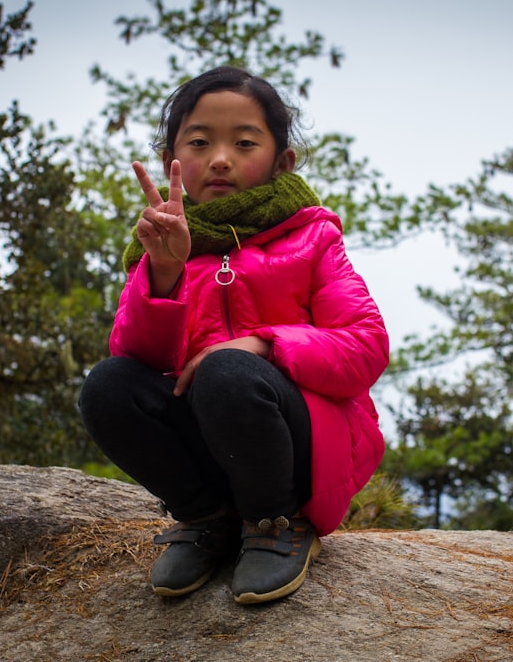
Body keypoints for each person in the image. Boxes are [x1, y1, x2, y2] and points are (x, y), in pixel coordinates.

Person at [78, 65, 389, 605]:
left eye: (244, 142)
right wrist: (166, 273)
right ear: (170, 161)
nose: (220, 158)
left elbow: (365, 346)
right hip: (211, 438)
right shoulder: (162, 246)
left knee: (228, 371)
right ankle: (207, 517)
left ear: (281, 161)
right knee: (107, 385)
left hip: (301, 445)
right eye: (199, 142)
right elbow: (136, 362)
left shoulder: (312, 239)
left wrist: (264, 344)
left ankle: (276, 521)